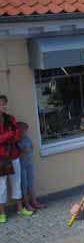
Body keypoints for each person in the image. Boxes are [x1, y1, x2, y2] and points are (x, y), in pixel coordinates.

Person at [0, 95, 33, 223]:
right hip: (1, 158)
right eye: (2, 104)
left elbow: (18, 135)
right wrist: (8, 135)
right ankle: (2, 213)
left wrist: (9, 137)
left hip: (13, 155)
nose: (4, 106)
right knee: (1, 186)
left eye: (5, 104)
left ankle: (20, 207)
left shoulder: (10, 118)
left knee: (16, 182)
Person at [16, 122, 45, 211]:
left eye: (26, 131)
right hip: (22, 166)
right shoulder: (17, 141)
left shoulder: (27, 139)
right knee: (24, 185)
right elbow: (16, 155)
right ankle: (26, 204)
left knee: (31, 184)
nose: (26, 133)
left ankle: (34, 202)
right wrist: (21, 152)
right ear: (19, 131)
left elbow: (31, 148)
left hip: (29, 164)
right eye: (24, 131)